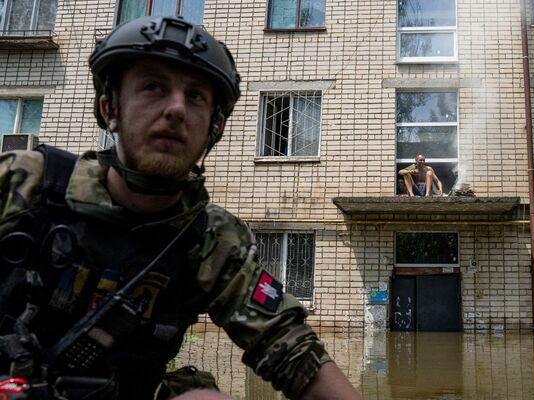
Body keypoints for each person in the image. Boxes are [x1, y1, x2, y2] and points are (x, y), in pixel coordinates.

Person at [0, 16, 360, 400]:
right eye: (153, 87)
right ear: (110, 109)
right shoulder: (27, 182)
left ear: (213, 128)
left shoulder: (211, 239)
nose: (176, 109)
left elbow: (292, 350)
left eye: (195, 97)